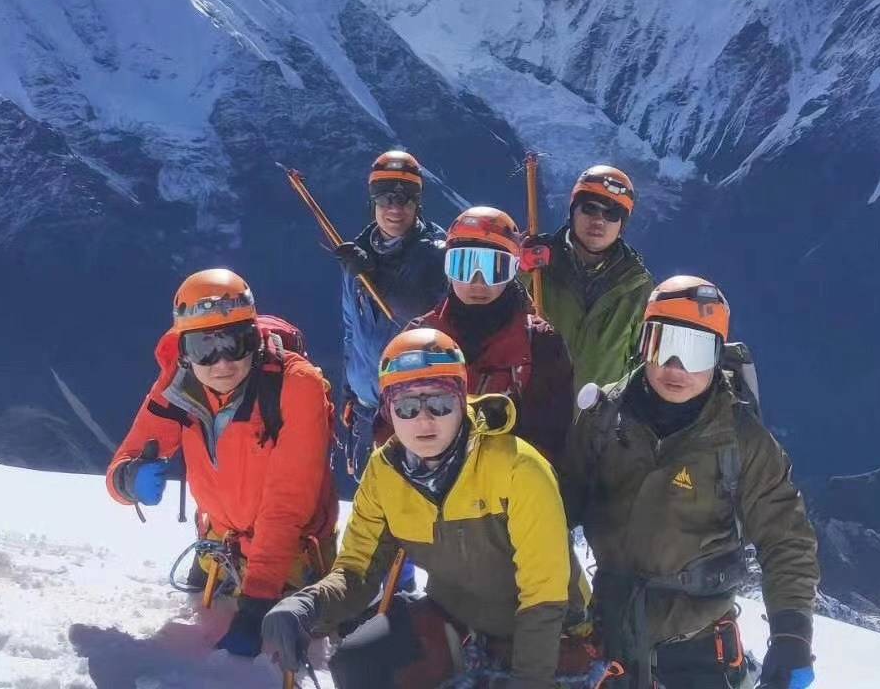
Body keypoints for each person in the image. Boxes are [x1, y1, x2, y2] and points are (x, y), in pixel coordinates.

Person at [260, 328, 576, 689]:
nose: (424, 421)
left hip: (549, 631)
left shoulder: (519, 469)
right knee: (358, 663)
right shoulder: (385, 473)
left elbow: (545, 596)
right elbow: (356, 572)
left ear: (462, 400)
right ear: (388, 411)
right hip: (457, 618)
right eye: (407, 407)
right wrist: (306, 606)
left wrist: (529, 682)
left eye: (439, 403)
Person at [561, 276, 820, 689]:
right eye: (663, 345)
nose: (676, 368)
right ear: (643, 344)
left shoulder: (742, 440)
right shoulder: (604, 418)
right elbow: (556, 508)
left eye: (695, 351)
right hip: (605, 635)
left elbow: (785, 538)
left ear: (716, 357)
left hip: (698, 646)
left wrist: (791, 636)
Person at [104, 269, 338, 660]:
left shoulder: (297, 387)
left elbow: (287, 506)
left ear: (255, 340)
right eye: (203, 348)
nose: (222, 362)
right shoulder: (177, 385)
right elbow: (123, 461)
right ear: (183, 351)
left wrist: (257, 601)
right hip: (219, 542)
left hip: (292, 552)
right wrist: (128, 480)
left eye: (235, 342)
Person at [405, 206, 574, 465]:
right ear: (448, 269)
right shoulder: (418, 340)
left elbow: (550, 443)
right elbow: (392, 427)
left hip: (508, 493)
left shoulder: (540, 344)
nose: (478, 281)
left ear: (513, 272)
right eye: (464, 266)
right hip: (430, 491)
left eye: (494, 268)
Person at [336, 149, 448, 476]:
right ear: (373, 204)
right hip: (367, 408)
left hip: (418, 409)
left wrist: (375, 278)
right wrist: (349, 391)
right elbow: (350, 328)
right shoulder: (355, 259)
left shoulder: (437, 255)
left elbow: (433, 320)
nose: (395, 209)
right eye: (385, 200)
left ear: (418, 204)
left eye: (405, 199)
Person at [525, 165, 655, 393]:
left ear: (621, 225)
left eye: (612, 213)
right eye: (590, 208)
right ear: (573, 211)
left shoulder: (638, 287)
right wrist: (516, 269)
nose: (599, 220)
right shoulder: (536, 267)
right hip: (532, 416)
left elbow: (645, 366)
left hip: (600, 423)